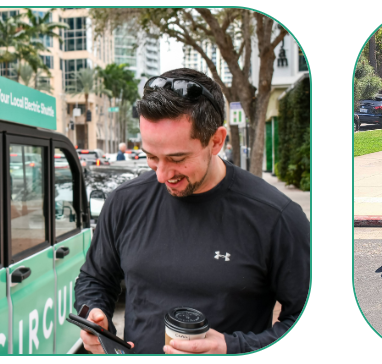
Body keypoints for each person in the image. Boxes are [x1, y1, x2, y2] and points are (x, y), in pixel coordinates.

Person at [74, 69, 309, 354]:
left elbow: (308, 323)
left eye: (177, 158)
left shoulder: (276, 217)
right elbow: (95, 278)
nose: (161, 175)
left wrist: (232, 347)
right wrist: (94, 313)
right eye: (151, 157)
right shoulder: (124, 202)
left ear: (216, 141)